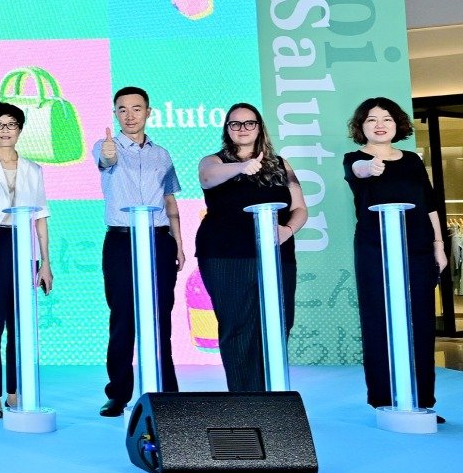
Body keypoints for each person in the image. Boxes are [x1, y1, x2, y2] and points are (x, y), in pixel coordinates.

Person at [343, 97, 448, 417]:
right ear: (361, 127)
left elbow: (429, 204)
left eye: (386, 119)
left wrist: (439, 245)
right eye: (371, 119)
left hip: (418, 247)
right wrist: (370, 167)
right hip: (375, 249)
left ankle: (421, 400)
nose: (380, 125)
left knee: (421, 321)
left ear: (397, 124)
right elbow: (358, 171)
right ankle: (384, 399)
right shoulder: (354, 158)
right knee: (378, 319)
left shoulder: (412, 161)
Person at [194, 104, 308, 393]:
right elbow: (207, 177)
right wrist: (242, 167)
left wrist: (287, 230)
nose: (243, 129)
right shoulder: (214, 161)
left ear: (260, 127)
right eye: (235, 124)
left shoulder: (280, 164)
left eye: (249, 123)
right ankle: (246, 400)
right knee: (237, 326)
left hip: (276, 255)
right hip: (226, 255)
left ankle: (273, 395)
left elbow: (299, 208)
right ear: (227, 129)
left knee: (279, 323)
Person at [93, 85, 184, 416]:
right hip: (122, 241)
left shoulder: (162, 154)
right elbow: (106, 160)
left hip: (159, 239)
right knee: (123, 317)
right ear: (115, 113)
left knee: (161, 316)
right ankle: (118, 393)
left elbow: (170, 200)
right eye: (122, 109)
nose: (129, 115)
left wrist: (178, 241)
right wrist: (108, 154)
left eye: (136, 108)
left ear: (148, 112)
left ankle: (166, 391)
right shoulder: (106, 146)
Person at [0, 102, 52, 419]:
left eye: (11, 124)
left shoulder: (34, 170)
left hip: (22, 245)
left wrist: (45, 262)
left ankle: (15, 392)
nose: (5, 130)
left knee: (20, 323)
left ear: (20, 130)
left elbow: (41, 217)